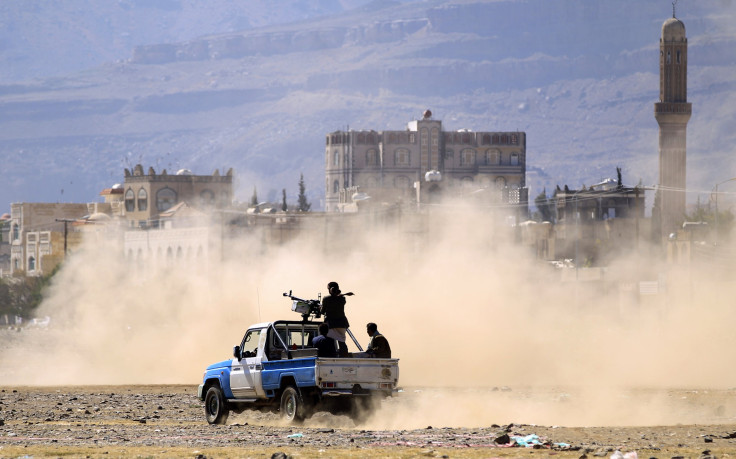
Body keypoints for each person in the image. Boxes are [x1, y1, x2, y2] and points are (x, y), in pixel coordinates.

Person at [320, 281, 353, 357]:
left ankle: (331, 356)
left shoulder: (326, 298)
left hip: (331, 325)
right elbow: (336, 299)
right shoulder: (342, 298)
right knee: (342, 342)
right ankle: (344, 357)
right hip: (342, 324)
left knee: (330, 342)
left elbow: (322, 312)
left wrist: (320, 308)